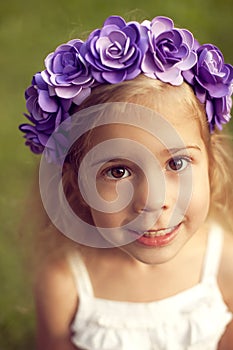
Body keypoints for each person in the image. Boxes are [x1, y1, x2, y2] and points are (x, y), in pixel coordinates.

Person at [19, 15, 233, 350]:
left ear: (209, 163)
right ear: (75, 186)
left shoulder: (225, 264)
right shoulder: (65, 282)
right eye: (118, 171)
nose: (153, 199)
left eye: (176, 163)